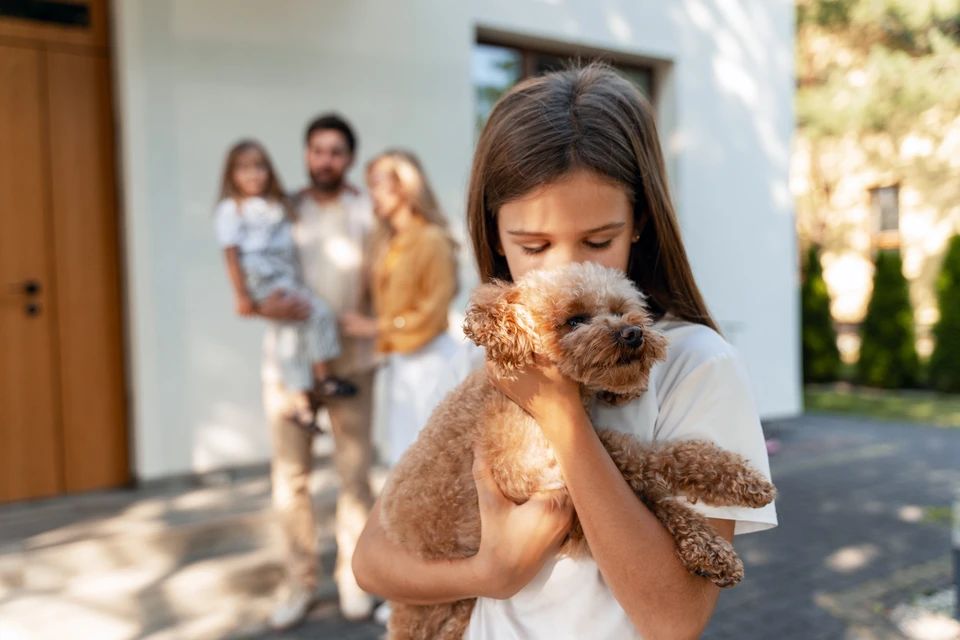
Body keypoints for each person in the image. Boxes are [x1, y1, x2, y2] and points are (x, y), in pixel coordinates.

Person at [352, 64, 778, 639]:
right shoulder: (472, 364)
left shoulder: (696, 367)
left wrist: (559, 412)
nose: (566, 269)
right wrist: (491, 572)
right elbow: (371, 561)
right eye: (534, 245)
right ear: (496, 238)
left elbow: (673, 619)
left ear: (639, 224)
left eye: (597, 242)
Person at [256, 115, 378, 630]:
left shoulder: (367, 210)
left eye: (335, 151)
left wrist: (379, 323)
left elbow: (383, 277)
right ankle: (297, 584)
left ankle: (354, 579)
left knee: (352, 475)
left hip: (353, 363)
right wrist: (265, 305)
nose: (324, 159)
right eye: (316, 150)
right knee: (290, 479)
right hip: (287, 366)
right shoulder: (281, 210)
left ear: (349, 158)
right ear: (306, 154)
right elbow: (256, 275)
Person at [215, 140, 357, 428]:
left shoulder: (276, 203)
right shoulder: (232, 209)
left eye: (259, 166)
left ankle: (301, 403)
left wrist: (346, 190)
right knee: (315, 313)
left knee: (292, 335)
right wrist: (242, 295)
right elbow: (230, 254)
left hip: (284, 274)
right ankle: (322, 377)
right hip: (264, 277)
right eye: (243, 169)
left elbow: (297, 200)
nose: (253, 174)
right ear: (231, 175)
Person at [341, 150, 459, 467]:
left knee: (432, 460)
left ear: (404, 187)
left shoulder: (432, 240)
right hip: (400, 362)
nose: (372, 195)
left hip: (431, 362)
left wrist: (375, 327)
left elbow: (433, 312)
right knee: (404, 460)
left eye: (377, 185)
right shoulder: (389, 242)